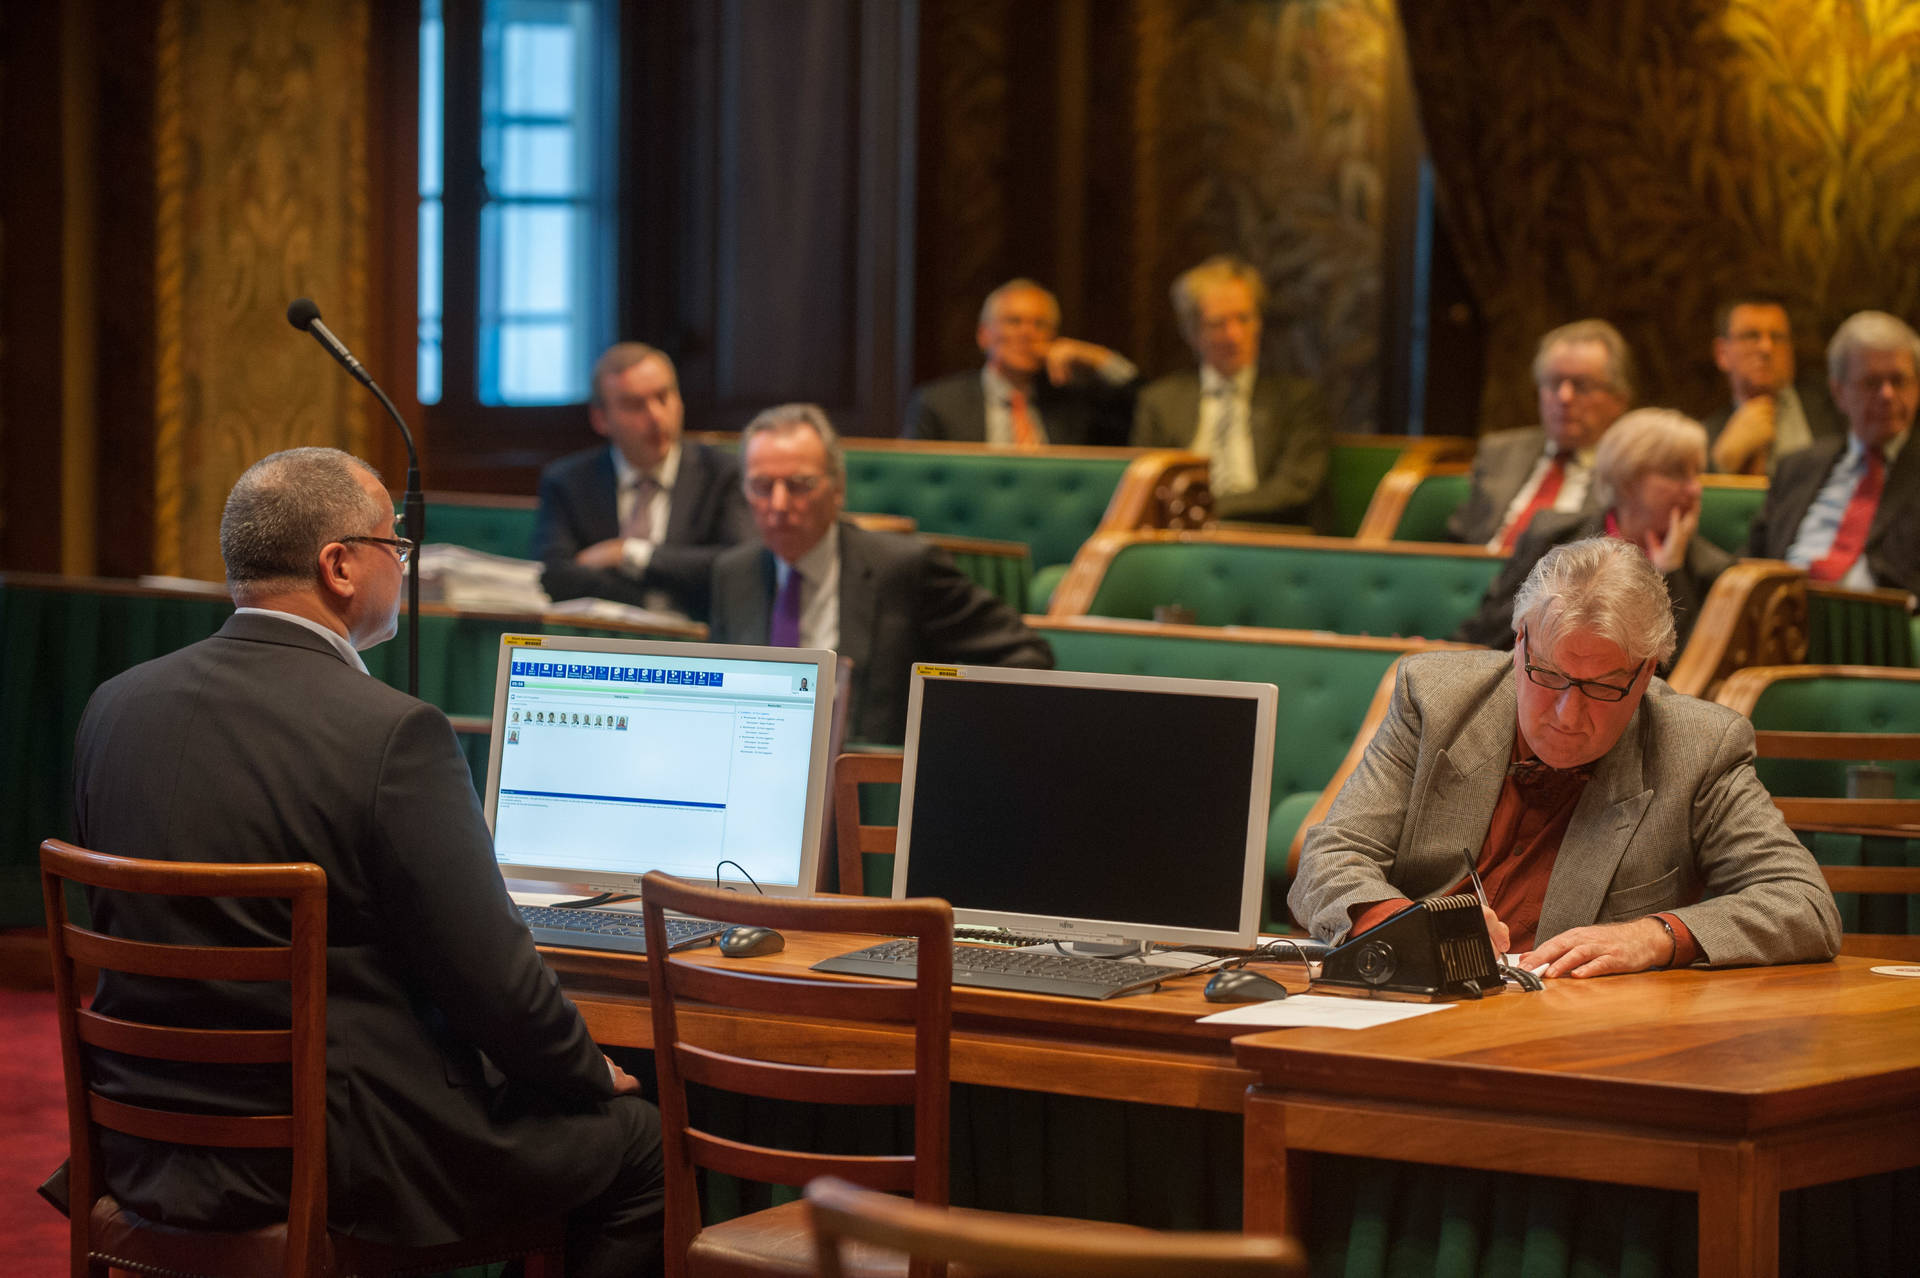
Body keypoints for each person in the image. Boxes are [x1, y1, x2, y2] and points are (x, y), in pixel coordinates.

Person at [70, 447, 663, 1278]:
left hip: (142, 1142)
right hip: (338, 1163)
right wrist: (587, 1073)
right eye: (396, 542)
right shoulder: (391, 733)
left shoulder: (114, 706)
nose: (404, 561)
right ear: (339, 565)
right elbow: (494, 982)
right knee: (638, 1143)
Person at [1290, 536, 1841, 978]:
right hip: (1404, 996)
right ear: (1520, 640)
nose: (1566, 712)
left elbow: (1803, 904)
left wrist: (1656, 937)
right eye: (1548, 674)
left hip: (1572, 1030)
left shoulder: (1698, 746)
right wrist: (1405, 926)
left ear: (1646, 672)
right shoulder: (1436, 698)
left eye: (1600, 686)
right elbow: (1332, 855)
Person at [710, 404, 1053, 743]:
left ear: (838, 488)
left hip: (869, 787)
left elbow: (1026, 655)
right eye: (762, 486)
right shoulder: (734, 573)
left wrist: (943, 739)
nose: (779, 505)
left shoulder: (905, 570)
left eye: (799, 485)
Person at [1452, 409, 1731, 656]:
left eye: (1696, 474)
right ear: (1626, 480)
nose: (1695, 489)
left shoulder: (1714, 573)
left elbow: (1672, 676)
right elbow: (1489, 633)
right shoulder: (1551, 536)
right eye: (1677, 473)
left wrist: (1668, 574)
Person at [535, 342, 755, 621]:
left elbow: (736, 565)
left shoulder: (723, 472)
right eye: (634, 405)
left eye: (663, 397)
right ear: (601, 419)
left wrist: (629, 553)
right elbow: (555, 575)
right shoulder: (568, 481)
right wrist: (651, 600)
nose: (655, 416)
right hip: (603, 642)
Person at [1131, 254, 1332, 526]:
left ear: (1259, 323)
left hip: (1268, 535)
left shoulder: (1298, 399)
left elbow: (1296, 487)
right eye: (1218, 324)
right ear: (1193, 332)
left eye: (1244, 319)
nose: (1234, 335)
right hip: (1181, 540)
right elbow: (1148, 483)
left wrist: (1206, 509)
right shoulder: (1160, 401)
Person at [1746, 310, 1920, 594]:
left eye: (1898, 381)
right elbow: (1753, 557)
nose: (1887, 395)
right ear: (1839, 392)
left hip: (1876, 621)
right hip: (1782, 616)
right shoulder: (1798, 466)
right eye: (1872, 383)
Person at [1446, 319, 1634, 549]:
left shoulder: (1631, 469)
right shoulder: (1499, 451)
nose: (1564, 397)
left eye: (1581, 385)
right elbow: (1456, 544)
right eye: (1554, 383)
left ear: (1619, 400)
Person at [903, 278, 1139, 446]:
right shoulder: (939, 404)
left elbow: (1143, 403)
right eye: (1014, 321)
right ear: (984, 335)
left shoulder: (1073, 403)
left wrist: (1097, 358)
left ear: (1054, 337)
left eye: (1040, 325)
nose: (1027, 334)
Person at [1700, 295, 1843, 475]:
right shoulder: (1706, 437)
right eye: (1751, 336)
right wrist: (1721, 465)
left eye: (1777, 337)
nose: (1766, 348)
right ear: (1722, 353)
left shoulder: (1837, 407)